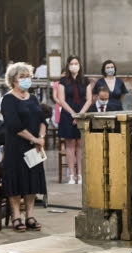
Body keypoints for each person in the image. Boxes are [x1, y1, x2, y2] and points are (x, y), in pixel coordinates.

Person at [1, 62, 47, 232]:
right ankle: (16, 216)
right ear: (13, 80)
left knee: (32, 181)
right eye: (22, 77)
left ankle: (30, 215)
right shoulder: (8, 99)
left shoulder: (33, 98)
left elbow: (43, 119)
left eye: (28, 76)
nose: (26, 79)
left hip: (34, 147)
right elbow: (13, 125)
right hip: (16, 147)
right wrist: (34, 138)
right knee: (16, 181)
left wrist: (40, 138)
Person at [58, 55, 92, 184]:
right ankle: (72, 175)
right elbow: (61, 99)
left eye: (76, 63)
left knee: (80, 144)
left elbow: (89, 99)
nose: (74, 66)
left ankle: (80, 174)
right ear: (68, 65)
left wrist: (80, 115)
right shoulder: (63, 81)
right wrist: (73, 114)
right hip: (68, 114)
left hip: (82, 113)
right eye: (71, 63)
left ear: (80, 65)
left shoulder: (85, 80)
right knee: (70, 144)